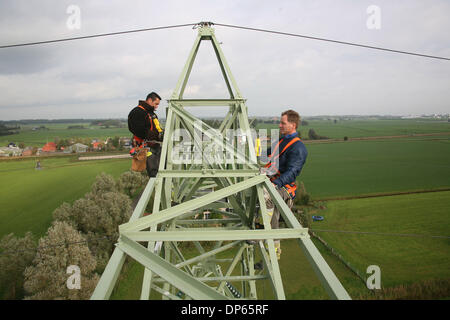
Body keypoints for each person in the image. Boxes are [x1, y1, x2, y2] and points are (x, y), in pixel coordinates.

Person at [260, 109, 308, 260]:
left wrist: (275, 184)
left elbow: (293, 172)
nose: (279, 126)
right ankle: (259, 226)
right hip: (273, 181)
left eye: (283, 123)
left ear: (293, 125)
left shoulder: (298, 148)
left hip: (284, 190)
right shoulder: (280, 142)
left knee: (266, 195)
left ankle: (267, 236)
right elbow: (265, 156)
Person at [128, 92, 164, 177]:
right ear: (149, 100)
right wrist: (156, 136)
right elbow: (137, 129)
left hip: (154, 146)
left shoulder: (151, 114)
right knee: (154, 173)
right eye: (156, 104)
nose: (156, 106)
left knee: (162, 169)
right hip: (144, 148)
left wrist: (161, 135)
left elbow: (156, 128)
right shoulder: (137, 112)